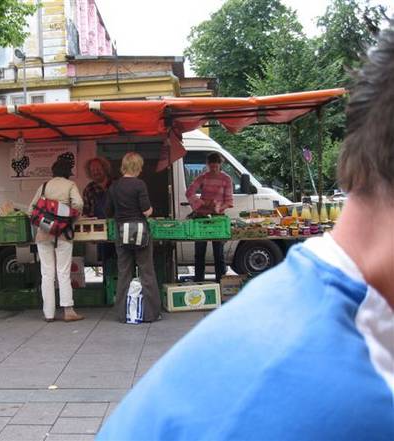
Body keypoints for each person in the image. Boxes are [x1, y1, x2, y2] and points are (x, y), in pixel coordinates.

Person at [97, 24, 394, 441]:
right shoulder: (358, 399)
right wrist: (201, 204)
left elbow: (117, 209)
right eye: (215, 167)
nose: (217, 170)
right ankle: (152, 308)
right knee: (151, 270)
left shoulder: (119, 185)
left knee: (160, 267)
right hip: (146, 228)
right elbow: (165, 201)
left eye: (218, 167)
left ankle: (139, 307)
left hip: (126, 230)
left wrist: (216, 204)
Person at [106, 152, 161, 323]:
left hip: (121, 232)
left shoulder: (114, 186)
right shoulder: (139, 185)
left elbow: (108, 211)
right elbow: (146, 210)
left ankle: (123, 313)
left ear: (123, 166)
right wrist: (151, 211)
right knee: (146, 271)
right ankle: (151, 314)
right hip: (140, 233)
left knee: (124, 272)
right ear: (138, 167)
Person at [29, 156, 84, 322]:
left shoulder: (44, 186)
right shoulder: (70, 185)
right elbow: (79, 204)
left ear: (53, 172)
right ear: (68, 173)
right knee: (63, 271)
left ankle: (49, 314)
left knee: (46, 273)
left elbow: (31, 209)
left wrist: (46, 223)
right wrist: (69, 217)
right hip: (63, 233)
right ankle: (68, 311)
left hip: (44, 233)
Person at [185, 152, 233, 283]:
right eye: (211, 167)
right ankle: (198, 281)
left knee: (219, 253)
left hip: (218, 218)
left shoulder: (226, 179)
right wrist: (201, 203)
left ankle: (221, 282)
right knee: (199, 252)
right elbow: (189, 192)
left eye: (215, 167)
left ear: (220, 165)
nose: (213, 169)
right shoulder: (203, 177)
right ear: (207, 165)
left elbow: (229, 201)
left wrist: (218, 207)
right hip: (201, 217)